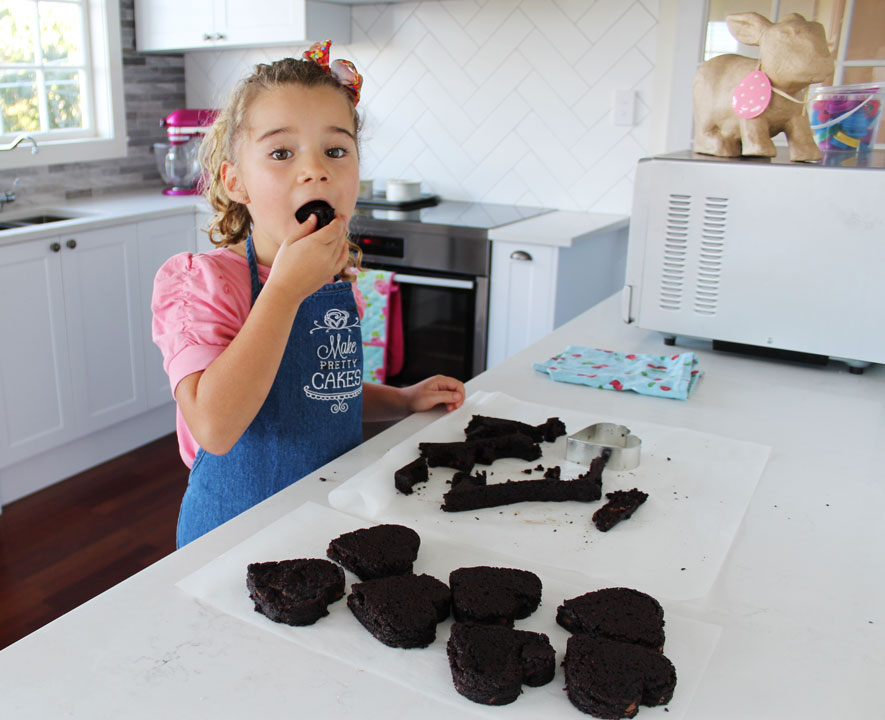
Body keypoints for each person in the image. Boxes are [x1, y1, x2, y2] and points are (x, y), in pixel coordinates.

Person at [152, 42, 465, 548]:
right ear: (236, 181)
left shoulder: (334, 280)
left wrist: (402, 401)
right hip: (234, 536)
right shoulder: (201, 283)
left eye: (336, 151)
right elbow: (215, 426)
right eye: (280, 153)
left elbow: (319, 396)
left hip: (328, 517)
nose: (315, 170)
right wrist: (284, 290)